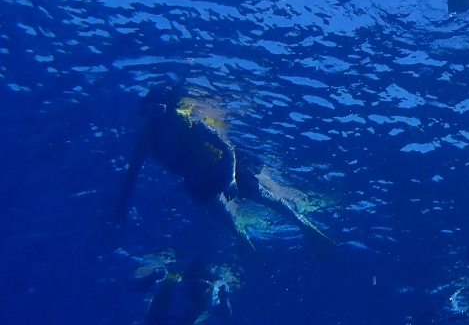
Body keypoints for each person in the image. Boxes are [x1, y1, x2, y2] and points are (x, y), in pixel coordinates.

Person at [118, 83, 336, 258]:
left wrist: (230, 179)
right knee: (223, 213)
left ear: (169, 108)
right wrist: (122, 203)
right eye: (146, 111)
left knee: (261, 195)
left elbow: (227, 148)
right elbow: (132, 173)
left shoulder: (191, 122)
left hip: (223, 169)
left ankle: (302, 223)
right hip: (196, 181)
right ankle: (241, 236)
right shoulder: (145, 138)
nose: (153, 117)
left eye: (158, 110)